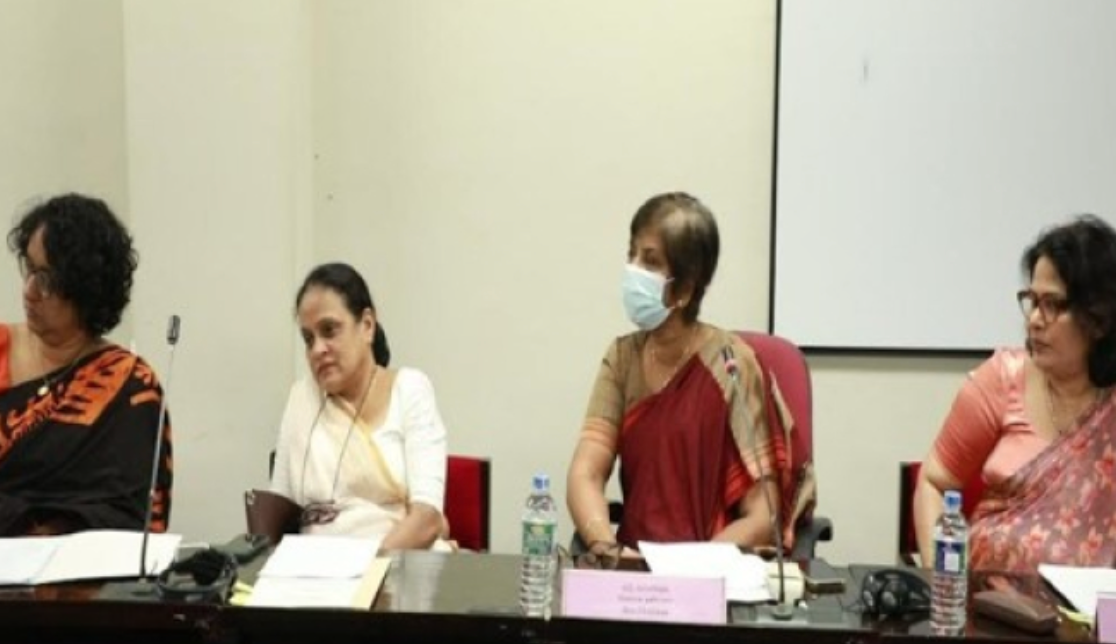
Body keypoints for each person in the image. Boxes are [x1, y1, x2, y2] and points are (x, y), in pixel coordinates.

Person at [566, 192, 815, 556]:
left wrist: (693, 565)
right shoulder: (622, 358)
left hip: (712, 569)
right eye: (631, 255)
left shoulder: (730, 364)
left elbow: (764, 515)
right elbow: (585, 473)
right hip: (634, 567)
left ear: (684, 288)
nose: (633, 270)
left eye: (650, 261)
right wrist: (604, 544)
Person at [915, 215, 1116, 572]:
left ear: (1099, 318)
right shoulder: (1002, 379)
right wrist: (939, 579)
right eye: (1032, 301)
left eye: (1053, 304)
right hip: (988, 601)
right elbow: (933, 482)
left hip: (1098, 606)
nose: (1034, 319)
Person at [0, 193, 172, 536]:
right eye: (29, 269)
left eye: (47, 280)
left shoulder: (129, 385)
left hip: (78, 567)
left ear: (86, 290)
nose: (29, 291)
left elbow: (128, 515)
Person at [271, 262, 449, 549]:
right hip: (310, 568)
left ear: (367, 325)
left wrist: (367, 569)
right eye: (308, 339)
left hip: (395, 563)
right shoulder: (302, 398)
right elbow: (276, 514)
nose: (317, 349)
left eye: (329, 330)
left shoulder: (410, 389)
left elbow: (427, 519)